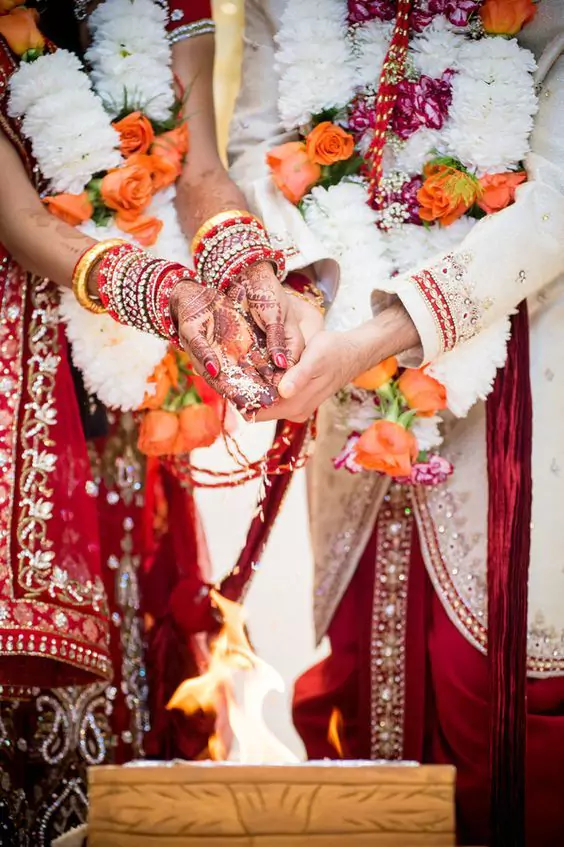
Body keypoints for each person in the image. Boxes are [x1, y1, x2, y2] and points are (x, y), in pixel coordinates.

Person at [228, 2, 564, 845]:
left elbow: (555, 201)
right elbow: (256, 154)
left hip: (518, 376)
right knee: (356, 685)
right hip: (335, 380)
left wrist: (375, 333)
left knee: (498, 686)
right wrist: (299, 302)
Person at [0, 0, 315, 842]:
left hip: (124, 387)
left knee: (130, 664)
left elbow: (200, 170)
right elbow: (21, 221)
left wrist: (247, 272)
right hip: (19, 392)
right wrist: (172, 296)